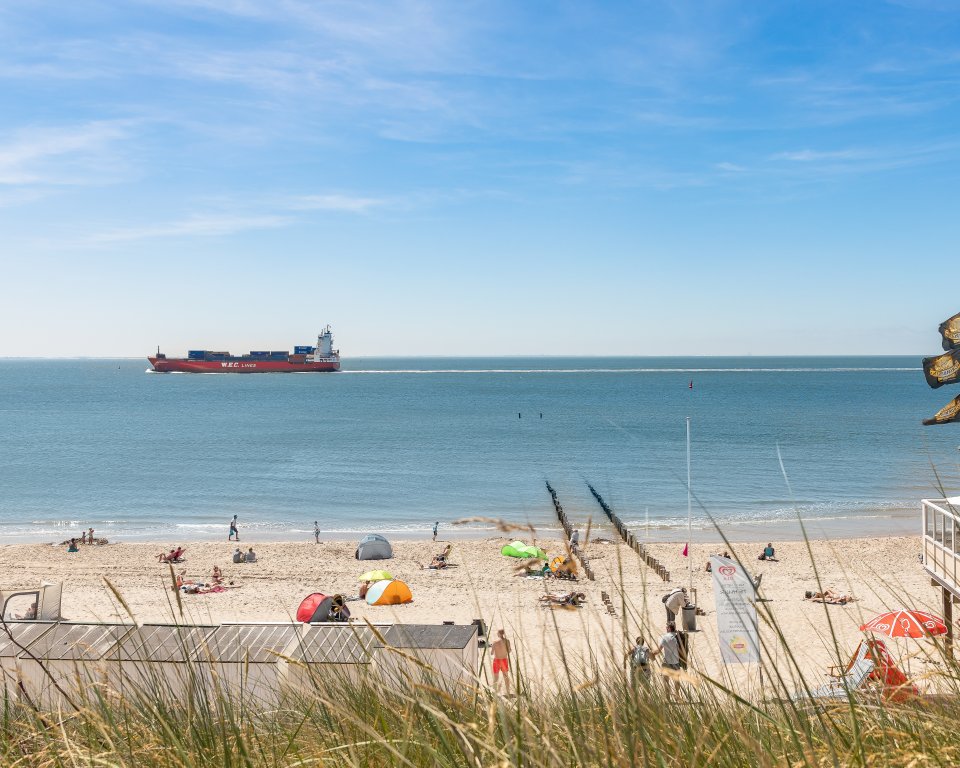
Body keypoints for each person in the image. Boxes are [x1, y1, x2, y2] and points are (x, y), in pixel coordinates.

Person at [649, 622, 682, 699]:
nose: (666, 629)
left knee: (666, 680)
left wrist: (651, 653)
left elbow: (658, 650)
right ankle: (677, 695)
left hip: (666, 662)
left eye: (666, 627)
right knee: (676, 680)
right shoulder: (678, 637)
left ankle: (667, 696)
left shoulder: (665, 637)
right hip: (676, 662)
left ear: (669, 628)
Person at [491, 629, 512, 694]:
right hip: (504, 660)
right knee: (506, 676)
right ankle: (508, 691)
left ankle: (494, 691)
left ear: (499, 634)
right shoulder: (507, 641)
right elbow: (509, 651)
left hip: (497, 661)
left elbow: (491, 653)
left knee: (496, 677)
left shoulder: (495, 642)